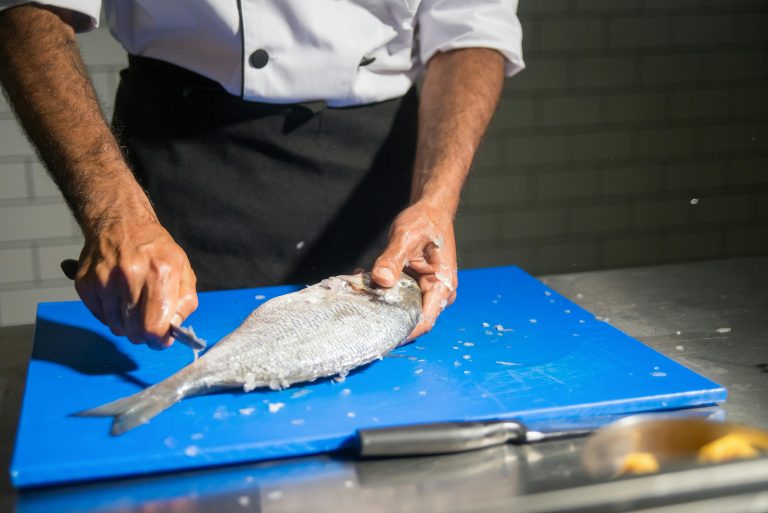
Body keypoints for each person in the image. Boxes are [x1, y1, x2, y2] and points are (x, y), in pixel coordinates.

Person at [0, 1, 524, 349]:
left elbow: (471, 26)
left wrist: (436, 199)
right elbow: (27, 10)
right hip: (187, 155)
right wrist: (114, 211)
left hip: (377, 172)